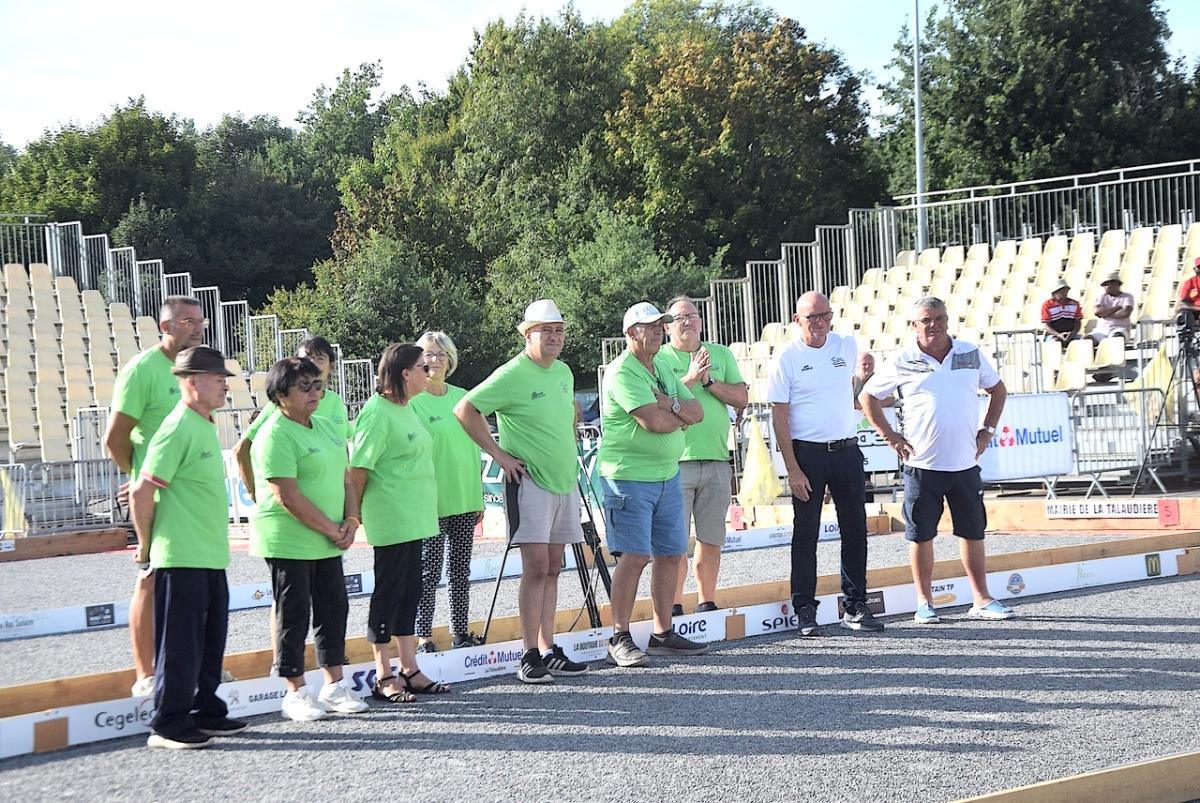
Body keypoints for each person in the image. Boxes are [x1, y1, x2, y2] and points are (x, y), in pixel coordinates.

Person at [455, 300, 590, 684]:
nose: (553, 336)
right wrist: (498, 453)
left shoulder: (562, 372)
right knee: (535, 568)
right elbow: (466, 409)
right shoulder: (513, 373)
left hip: (562, 480)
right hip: (529, 481)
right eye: (545, 330)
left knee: (553, 567)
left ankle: (548, 648)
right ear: (527, 334)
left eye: (558, 329)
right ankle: (529, 653)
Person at [859, 297, 1013, 625]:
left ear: (947, 319)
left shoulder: (969, 352)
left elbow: (998, 390)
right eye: (926, 320)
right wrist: (891, 437)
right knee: (920, 535)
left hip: (965, 464)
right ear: (915, 325)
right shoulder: (903, 358)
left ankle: (982, 598)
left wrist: (987, 430)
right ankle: (924, 603)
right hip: (922, 465)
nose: (934, 325)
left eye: (940, 318)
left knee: (973, 532)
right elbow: (867, 397)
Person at [128, 346, 246, 749]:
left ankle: (206, 710)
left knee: (210, 642)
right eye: (218, 378)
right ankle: (168, 723)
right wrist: (146, 546)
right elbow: (141, 491)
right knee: (180, 645)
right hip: (180, 555)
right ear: (192, 382)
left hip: (209, 554)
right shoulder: (177, 426)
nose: (225, 385)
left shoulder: (203, 423)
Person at [249, 357, 368, 722]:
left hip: (329, 537)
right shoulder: (276, 433)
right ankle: (295, 690)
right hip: (289, 538)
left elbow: (347, 479)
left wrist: (351, 519)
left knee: (334, 608)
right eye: (305, 387)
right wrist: (333, 530)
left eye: (318, 385)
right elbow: (287, 495)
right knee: (294, 613)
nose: (315, 392)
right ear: (281, 394)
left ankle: (334, 684)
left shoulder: (327, 428)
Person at [104, 295, 207, 698]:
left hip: (192, 497)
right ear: (165, 327)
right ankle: (146, 674)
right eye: (187, 321)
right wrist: (138, 476)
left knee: (197, 583)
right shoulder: (142, 370)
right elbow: (114, 436)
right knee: (149, 578)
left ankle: (196, 670)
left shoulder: (196, 371)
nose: (197, 328)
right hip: (158, 497)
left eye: (200, 321)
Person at [599, 302, 707, 668]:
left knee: (671, 554)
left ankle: (663, 632)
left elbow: (698, 412)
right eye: (652, 326)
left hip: (666, 474)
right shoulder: (622, 372)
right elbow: (654, 423)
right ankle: (619, 635)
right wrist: (674, 409)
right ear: (631, 333)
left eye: (662, 324)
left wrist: (668, 404)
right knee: (633, 557)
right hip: (628, 476)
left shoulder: (661, 365)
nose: (661, 330)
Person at [767, 292, 881, 636]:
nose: (819, 323)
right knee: (806, 533)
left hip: (846, 449)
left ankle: (855, 604)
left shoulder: (845, 345)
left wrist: (864, 379)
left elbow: (848, 395)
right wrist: (793, 468)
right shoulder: (786, 357)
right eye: (811, 317)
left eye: (824, 316)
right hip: (808, 452)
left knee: (855, 529)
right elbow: (779, 417)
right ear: (797, 319)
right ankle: (805, 608)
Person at [349, 344, 449, 703]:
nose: (429, 371)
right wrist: (353, 515)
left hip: (417, 517)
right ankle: (383, 674)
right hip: (391, 517)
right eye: (423, 367)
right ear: (405, 373)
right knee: (388, 593)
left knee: (411, 593)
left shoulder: (407, 408)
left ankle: (410, 668)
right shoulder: (376, 412)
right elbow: (358, 469)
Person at [657, 297, 746, 615]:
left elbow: (741, 398)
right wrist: (692, 378)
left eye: (692, 315)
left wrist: (709, 380)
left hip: (717, 458)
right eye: (679, 317)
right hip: (675, 462)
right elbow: (658, 402)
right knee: (674, 543)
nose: (688, 322)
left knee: (711, 539)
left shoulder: (720, 354)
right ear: (667, 327)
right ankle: (674, 605)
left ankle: (707, 601)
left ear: (701, 321)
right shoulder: (659, 359)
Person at [412, 331, 485, 653]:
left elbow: (474, 447)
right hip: (429, 500)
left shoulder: (464, 397)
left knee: (459, 570)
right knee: (428, 571)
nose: (435, 360)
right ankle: (423, 635)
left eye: (441, 354)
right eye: (428, 354)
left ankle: (460, 631)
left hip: (464, 496)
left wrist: (478, 496)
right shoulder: (412, 401)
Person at [235, 336, 353, 502]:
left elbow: (342, 449)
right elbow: (241, 448)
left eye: (319, 359)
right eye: (306, 359)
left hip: (331, 506)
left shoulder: (336, 401)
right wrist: (254, 494)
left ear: (331, 366)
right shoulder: (282, 404)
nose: (312, 364)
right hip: (293, 510)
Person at [1089, 273, 1135, 343]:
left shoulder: (1127, 296)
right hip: (1101, 330)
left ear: (1116, 284)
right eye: (1104, 285)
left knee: (1116, 338)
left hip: (1120, 328)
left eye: (1107, 284)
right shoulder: (1101, 296)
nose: (1105, 287)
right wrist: (1116, 308)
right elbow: (1097, 312)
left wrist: (1105, 314)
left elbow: (1125, 313)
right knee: (1086, 339)